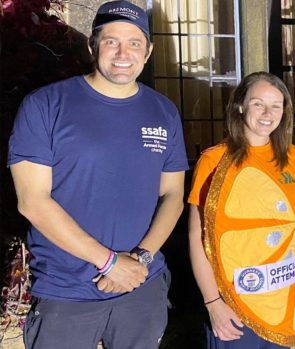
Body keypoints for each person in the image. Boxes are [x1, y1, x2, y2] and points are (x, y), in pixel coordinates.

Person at [8, 1, 188, 348]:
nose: (123, 53)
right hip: (68, 291)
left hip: (141, 288)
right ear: (92, 46)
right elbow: (32, 201)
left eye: (135, 43)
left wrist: (140, 260)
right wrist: (108, 263)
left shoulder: (163, 111)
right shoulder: (46, 105)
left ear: (148, 51)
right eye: (111, 41)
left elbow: (173, 195)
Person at [187, 71, 295, 349]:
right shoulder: (213, 161)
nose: (267, 113)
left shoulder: (293, 156)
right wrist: (213, 303)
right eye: (258, 103)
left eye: (276, 105)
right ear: (240, 105)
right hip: (233, 301)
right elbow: (196, 236)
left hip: (283, 298)